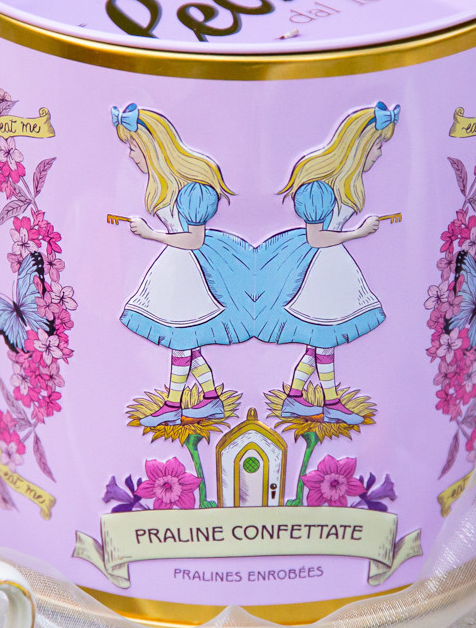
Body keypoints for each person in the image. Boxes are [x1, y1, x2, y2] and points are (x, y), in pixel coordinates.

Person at [254, 101, 398, 425]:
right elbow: (316, 238)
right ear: (360, 146)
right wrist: (358, 233)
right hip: (319, 271)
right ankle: (331, 403)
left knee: (316, 343)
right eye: (377, 145)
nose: (379, 153)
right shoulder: (319, 190)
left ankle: (294, 397)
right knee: (325, 339)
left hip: (334, 267)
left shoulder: (347, 186)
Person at [112, 103, 245, 427]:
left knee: (181, 341)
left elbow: (195, 241)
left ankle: (173, 404)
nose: (130, 155)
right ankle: (210, 398)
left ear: (151, 148)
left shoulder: (192, 192)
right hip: (174, 268)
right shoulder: (163, 187)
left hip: (187, 272)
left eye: (134, 147)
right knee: (188, 343)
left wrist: (151, 234)